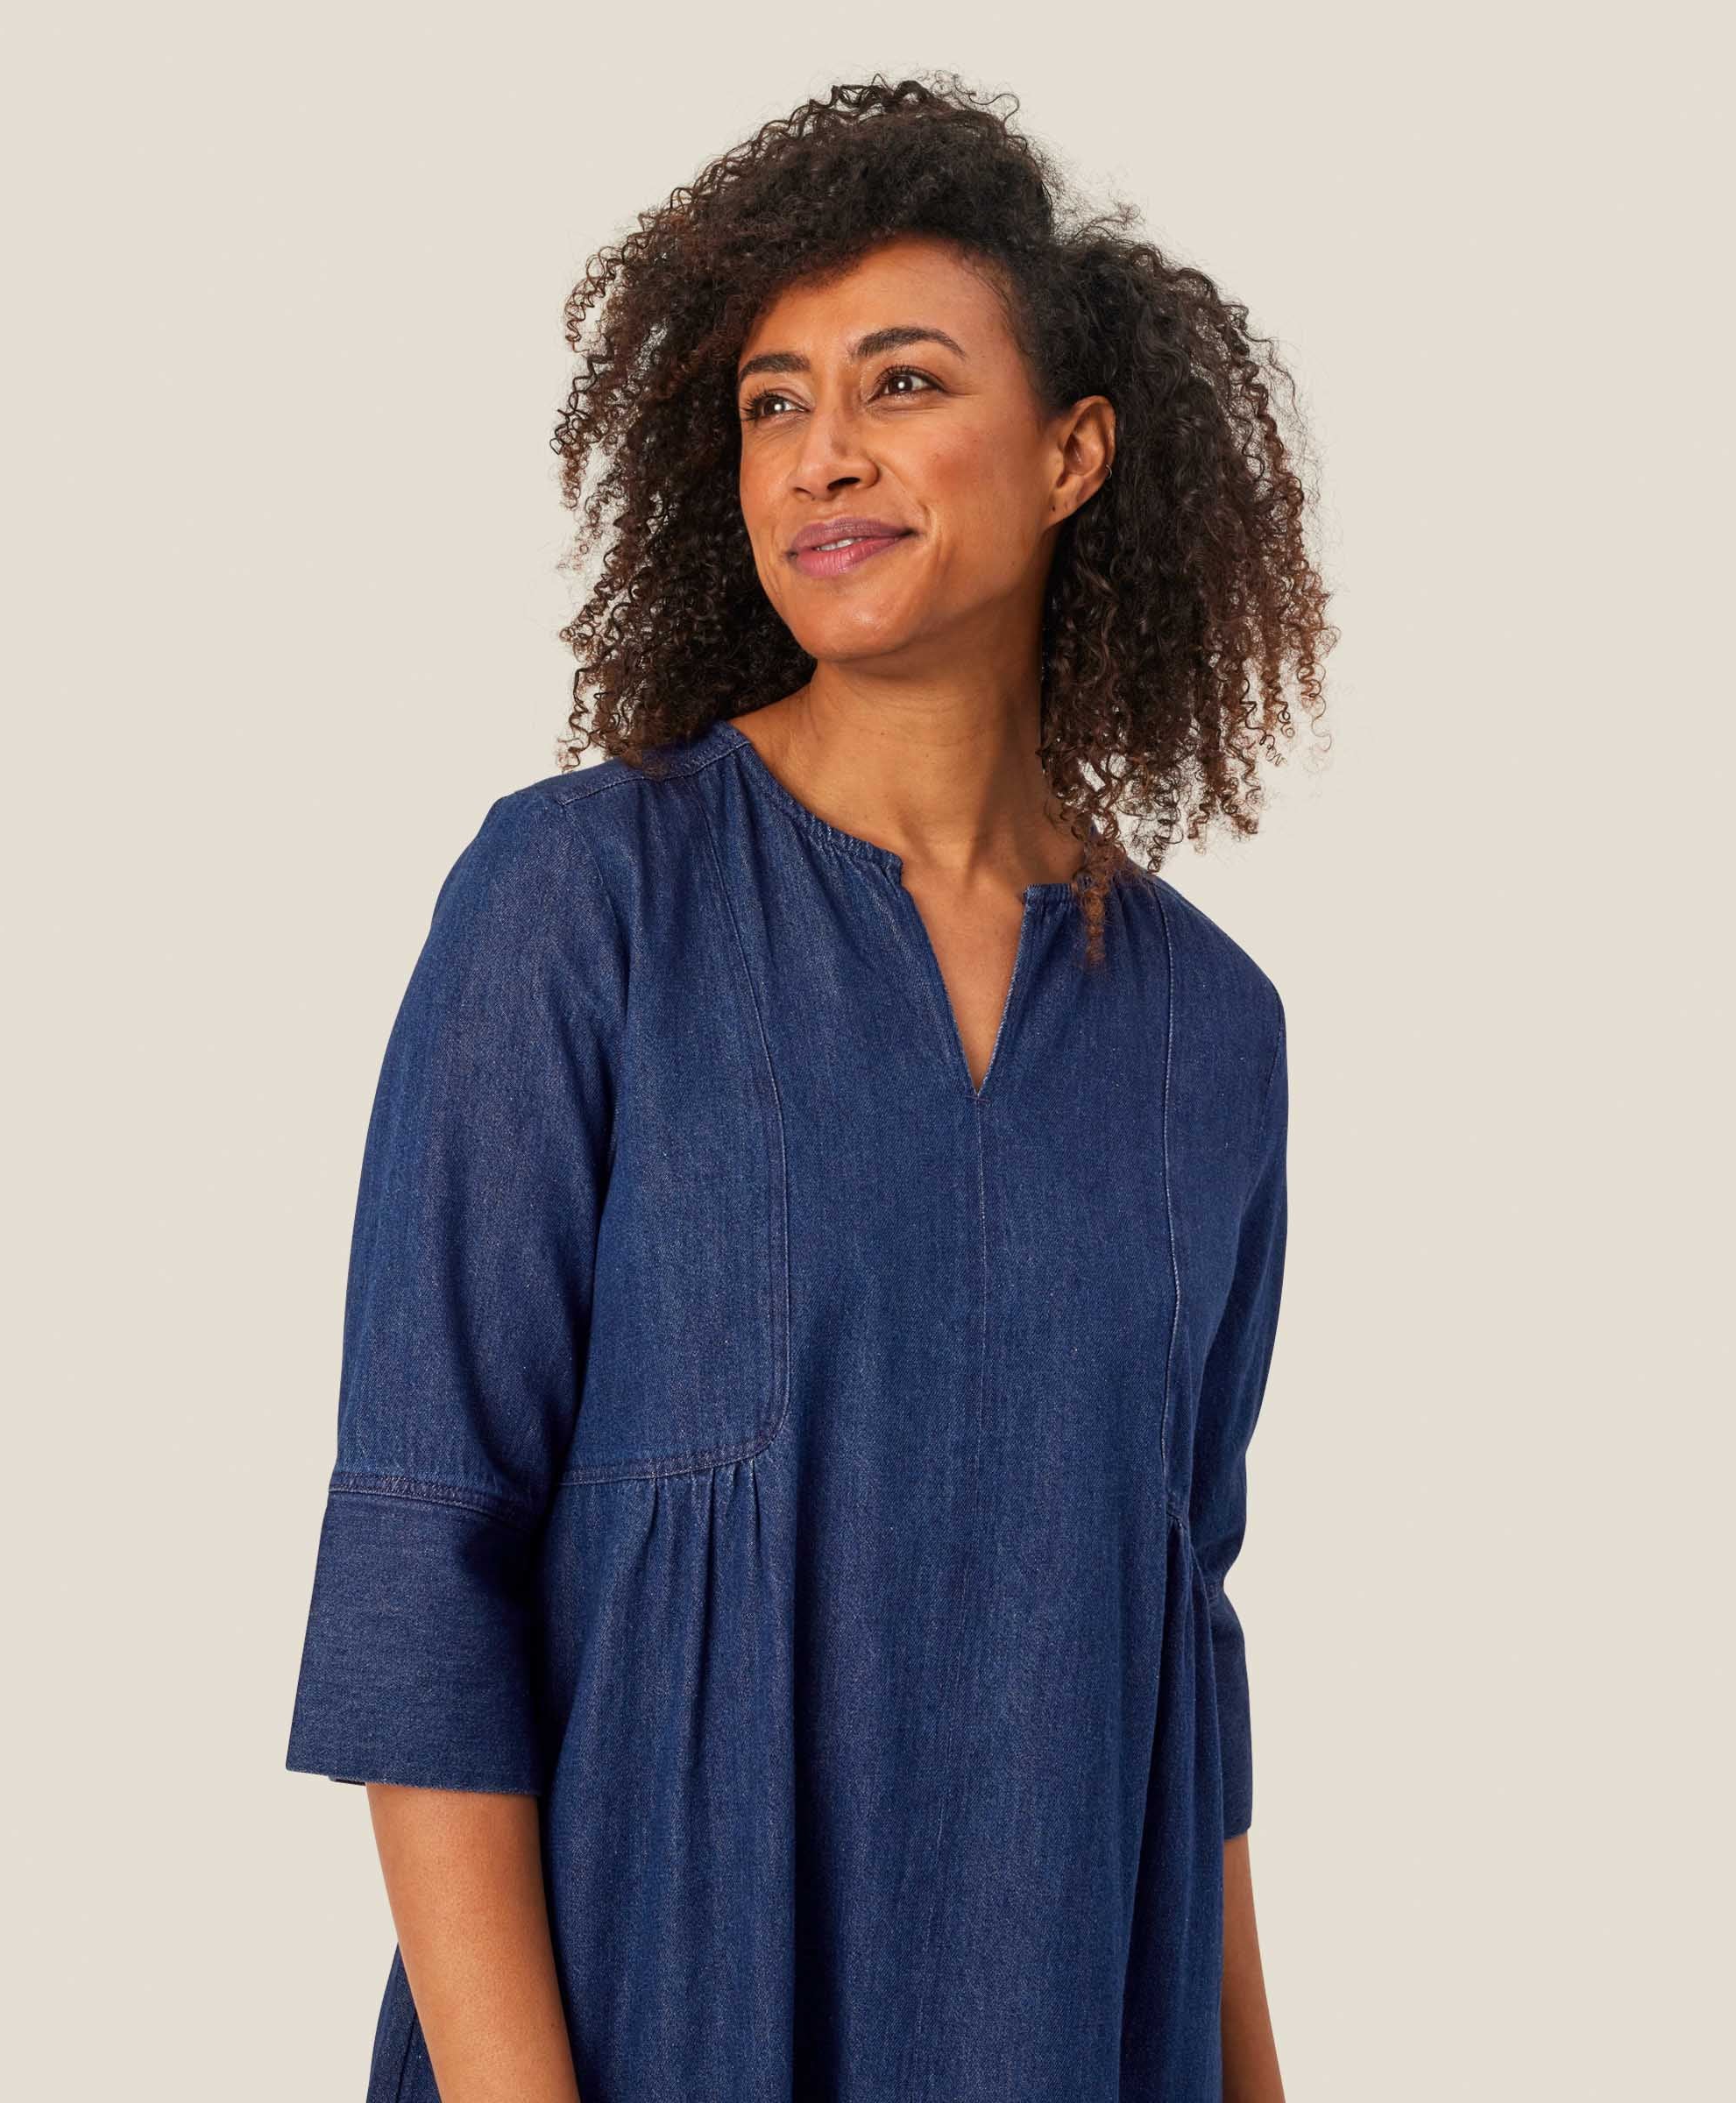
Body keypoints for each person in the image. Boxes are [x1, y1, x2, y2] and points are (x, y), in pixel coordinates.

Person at [286, 72, 1334, 2103]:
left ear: (1073, 452)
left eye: (902, 381)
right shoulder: (581, 902)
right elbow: (427, 1564)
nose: (821, 452)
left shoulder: (1211, 1033)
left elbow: (1177, 1648)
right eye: (775, 402)